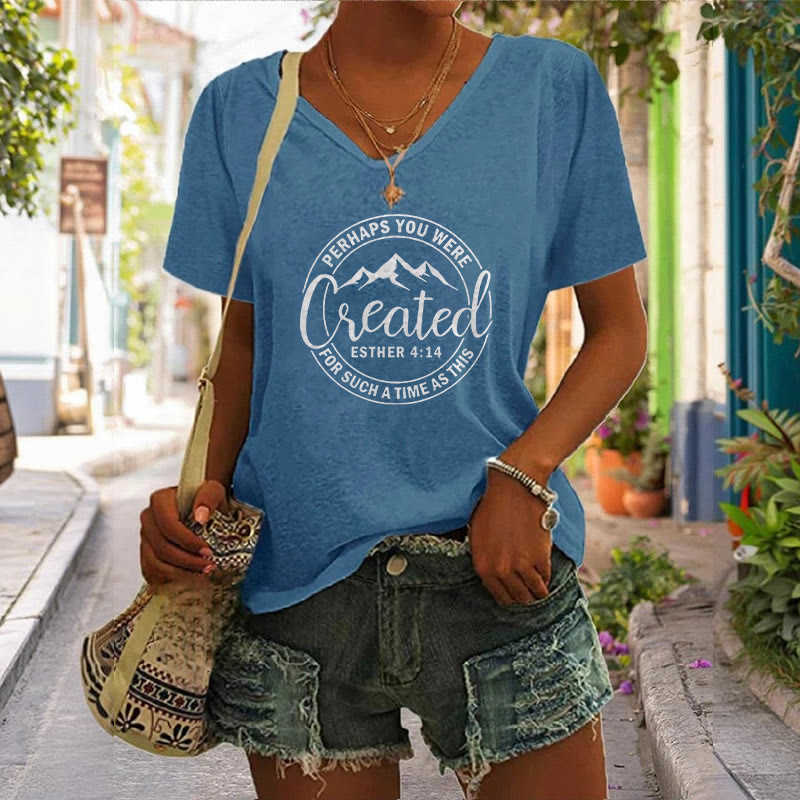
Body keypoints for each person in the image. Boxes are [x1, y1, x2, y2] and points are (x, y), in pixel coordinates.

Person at [139, 2, 648, 798]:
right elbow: (242, 344)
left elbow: (619, 331)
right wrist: (193, 504)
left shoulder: (551, 90)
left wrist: (527, 470)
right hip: (300, 588)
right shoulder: (239, 111)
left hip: (497, 571)